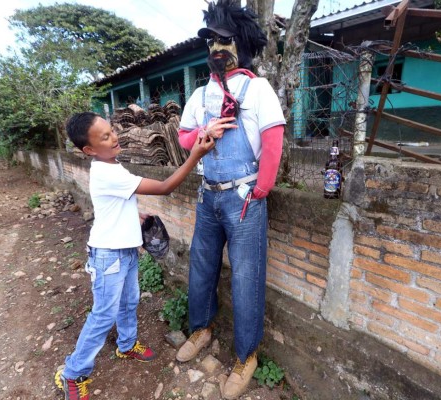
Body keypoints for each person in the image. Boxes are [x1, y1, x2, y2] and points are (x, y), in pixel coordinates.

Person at [55, 112, 215, 400]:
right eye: (104, 136)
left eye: (112, 130)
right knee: (103, 315)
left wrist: (133, 214)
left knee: (128, 302)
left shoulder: (109, 166)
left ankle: (126, 344)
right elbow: (165, 188)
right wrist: (196, 154)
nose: (114, 136)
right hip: (109, 257)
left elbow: (114, 202)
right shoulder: (108, 172)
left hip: (126, 251)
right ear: (88, 150)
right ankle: (72, 373)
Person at [176, 1, 285, 398]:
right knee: (201, 267)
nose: (216, 49)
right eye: (211, 41)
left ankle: (246, 356)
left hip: (243, 199)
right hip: (208, 197)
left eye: (223, 40)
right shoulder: (202, 93)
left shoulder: (257, 88)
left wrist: (261, 189)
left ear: (240, 43)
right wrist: (204, 132)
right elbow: (184, 137)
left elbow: (273, 141)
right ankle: (201, 328)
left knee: (246, 279)